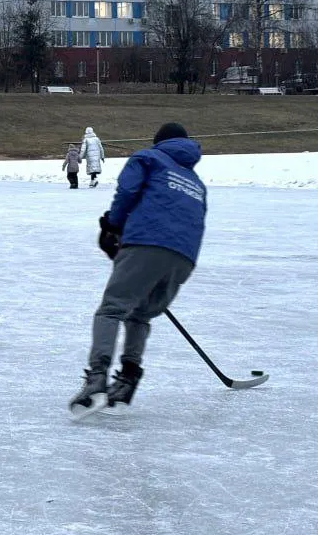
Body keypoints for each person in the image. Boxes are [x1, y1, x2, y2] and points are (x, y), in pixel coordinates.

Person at [69, 122, 208, 420]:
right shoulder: (195, 181)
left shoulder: (148, 158)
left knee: (111, 309)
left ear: (159, 141)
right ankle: (128, 379)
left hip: (147, 242)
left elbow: (128, 190)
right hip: (184, 257)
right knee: (140, 314)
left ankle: (97, 378)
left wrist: (113, 226)